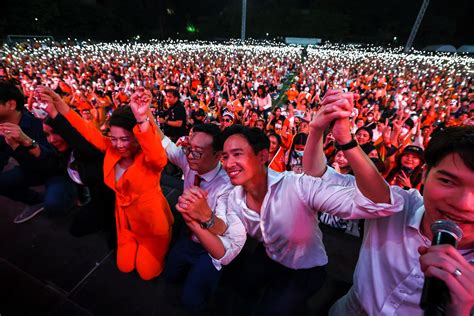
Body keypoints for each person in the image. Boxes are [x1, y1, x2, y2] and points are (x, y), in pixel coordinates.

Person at [219, 90, 404, 315]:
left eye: (238, 154)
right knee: (236, 288)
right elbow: (229, 240)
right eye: (225, 156)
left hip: (304, 269)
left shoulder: (298, 187)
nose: (229, 163)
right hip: (268, 255)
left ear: (262, 156)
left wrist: (343, 139)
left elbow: (378, 202)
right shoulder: (232, 195)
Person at [38, 87, 173, 280]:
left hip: (150, 225)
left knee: (146, 272)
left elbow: (158, 157)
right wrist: (57, 105)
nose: (119, 145)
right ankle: (130, 239)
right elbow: (85, 130)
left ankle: (158, 243)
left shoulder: (149, 160)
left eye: (125, 139)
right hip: (124, 224)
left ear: (137, 137)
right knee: (125, 266)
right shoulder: (111, 149)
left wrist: (143, 118)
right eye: (114, 138)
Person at [157, 123, 246, 311]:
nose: (189, 155)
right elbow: (165, 144)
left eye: (197, 151)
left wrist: (204, 214)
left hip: (211, 248)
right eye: (189, 148)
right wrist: (144, 115)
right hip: (189, 236)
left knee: (191, 301)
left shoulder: (228, 186)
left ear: (217, 155)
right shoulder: (191, 162)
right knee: (168, 275)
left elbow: (223, 229)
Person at [0, 80, 73, 223]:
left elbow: (53, 162)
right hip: (30, 169)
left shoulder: (40, 122)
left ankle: (74, 193)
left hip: (56, 171)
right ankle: (35, 201)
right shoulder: (2, 128)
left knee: (55, 204)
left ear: (11, 105)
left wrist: (26, 142)